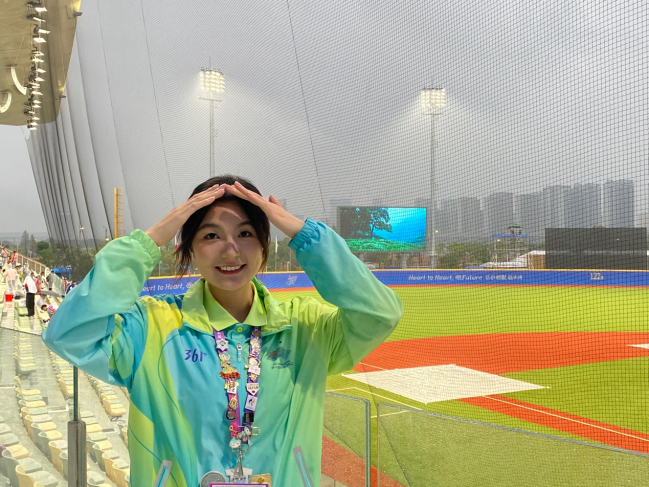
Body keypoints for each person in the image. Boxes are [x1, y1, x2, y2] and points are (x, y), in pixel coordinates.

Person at [42, 175, 403, 487]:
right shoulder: (150, 326)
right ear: (189, 249)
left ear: (264, 247)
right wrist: (150, 240)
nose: (231, 250)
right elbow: (68, 334)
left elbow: (379, 312)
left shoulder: (305, 327)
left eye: (246, 233)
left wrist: (304, 234)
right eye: (211, 235)